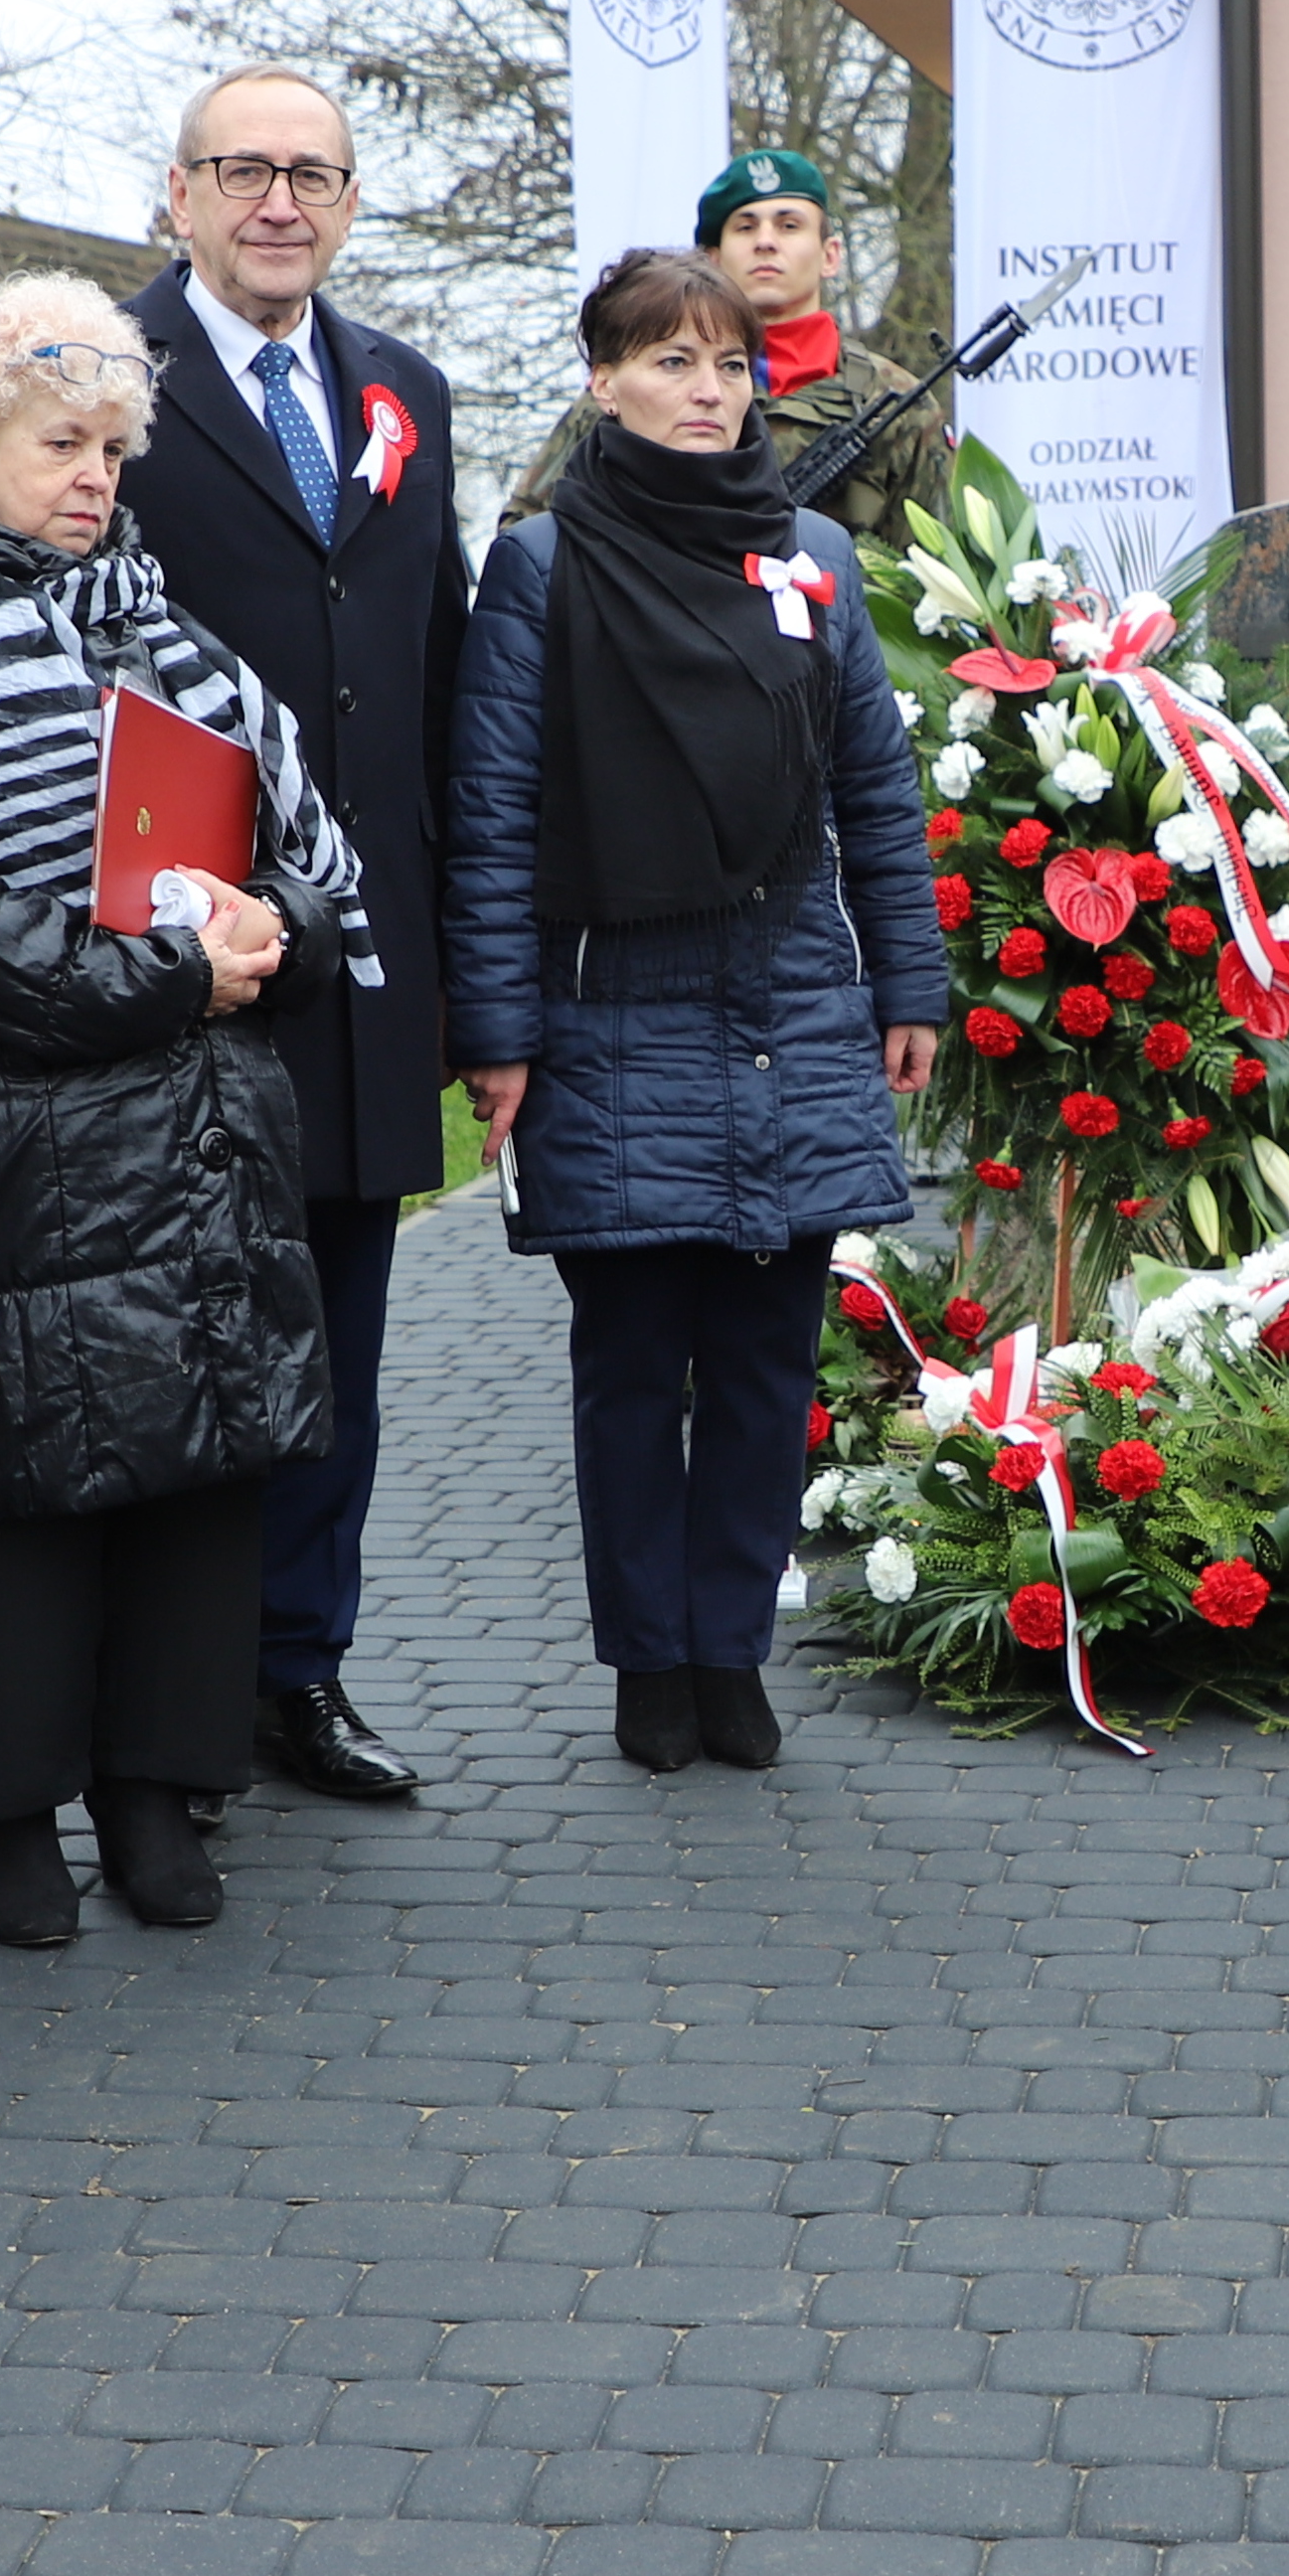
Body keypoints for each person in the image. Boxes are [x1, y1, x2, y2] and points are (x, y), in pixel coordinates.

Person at [0, 275, 379, 1943]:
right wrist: (159, 980)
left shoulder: (166, 627)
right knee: (14, 1498)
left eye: (115, 447)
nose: (96, 477)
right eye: (63, 442)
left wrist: (280, 926)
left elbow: (304, 849)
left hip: (201, 1129)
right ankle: (9, 1831)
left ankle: (157, 1799)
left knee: (198, 1474)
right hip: (6, 1146)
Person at [449, 248, 940, 1769]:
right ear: (601, 380)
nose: (703, 390)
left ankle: (730, 1652)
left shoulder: (812, 557)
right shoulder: (540, 562)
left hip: (791, 1003)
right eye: (667, 361)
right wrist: (498, 1029)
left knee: (760, 1372)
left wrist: (906, 977)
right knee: (625, 1377)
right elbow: (494, 808)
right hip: (612, 1017)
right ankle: (643, 1664)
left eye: (726, 365)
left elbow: (873, 780)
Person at [118, 67, 461, 1809]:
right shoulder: (96, 375)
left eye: (312, 173)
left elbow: (434, 676)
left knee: (339, 1335)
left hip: (366, 966)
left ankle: (295, 1672)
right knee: (184, 1336)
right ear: (174, 194)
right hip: (174, 952)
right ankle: (165, 1697)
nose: (278, 201)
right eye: (241, 170)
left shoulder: (403, 389)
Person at [501, 148, 951, 549]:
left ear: (830, 254)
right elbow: (528, 527)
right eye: (745, 226)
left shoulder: (895, 402)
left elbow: (943, 575)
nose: (766, 241)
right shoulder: (635, 387)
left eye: (789, 225)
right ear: (711, 260)